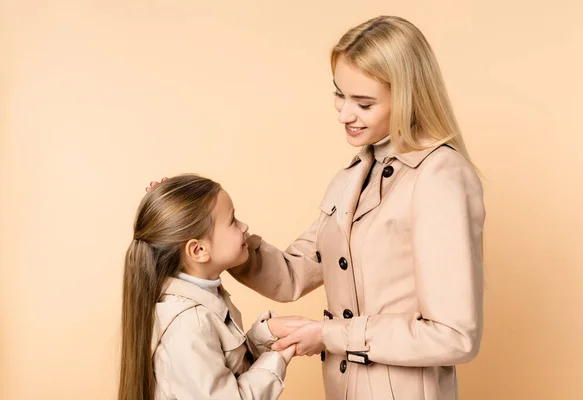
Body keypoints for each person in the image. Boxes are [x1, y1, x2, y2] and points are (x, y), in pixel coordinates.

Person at [148, 15, 485, 400]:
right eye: (339, 94)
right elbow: (292, 274)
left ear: (408, 95)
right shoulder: (351, 176)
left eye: (363, 102)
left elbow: (454, 336)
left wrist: (329, 335)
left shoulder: (440, 175)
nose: (344, 114)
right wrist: (192, 227)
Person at [119, 174, 304, 400]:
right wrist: (278, 357)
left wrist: (266, 334)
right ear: (198, 251)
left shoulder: (203, 299)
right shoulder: (189, 324)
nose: (244, 227)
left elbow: (225, 370)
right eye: (233, 221)